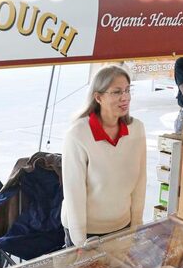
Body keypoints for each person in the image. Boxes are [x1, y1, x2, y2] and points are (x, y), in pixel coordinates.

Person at [61, 65, 147, 247]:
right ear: (98, 97)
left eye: (127, 90)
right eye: (116, 92)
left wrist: (136, 225)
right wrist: (80, 242)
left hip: (122, 226)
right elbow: (73, 192)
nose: (125, 97)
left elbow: (140, 180)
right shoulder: (78, 134)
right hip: (86, 232)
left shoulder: (137, 129)